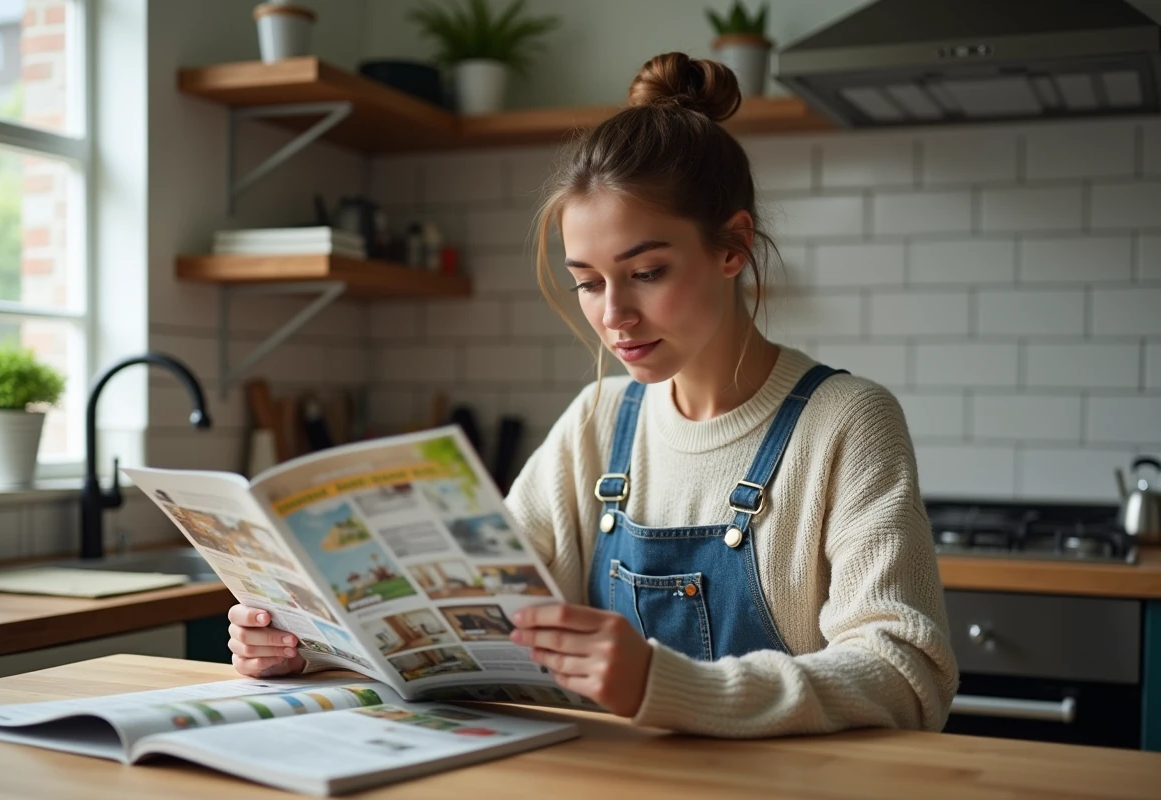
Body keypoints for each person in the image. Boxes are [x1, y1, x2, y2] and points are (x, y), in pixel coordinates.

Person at [226, 52, 959, 739]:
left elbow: (907, 674)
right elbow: (475, 636)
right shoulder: (597, 423)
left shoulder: (846, 423)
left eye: (646, 272)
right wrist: (313, 647)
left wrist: (663, 684)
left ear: (732, 246)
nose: (613, 315)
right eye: (587, 281)